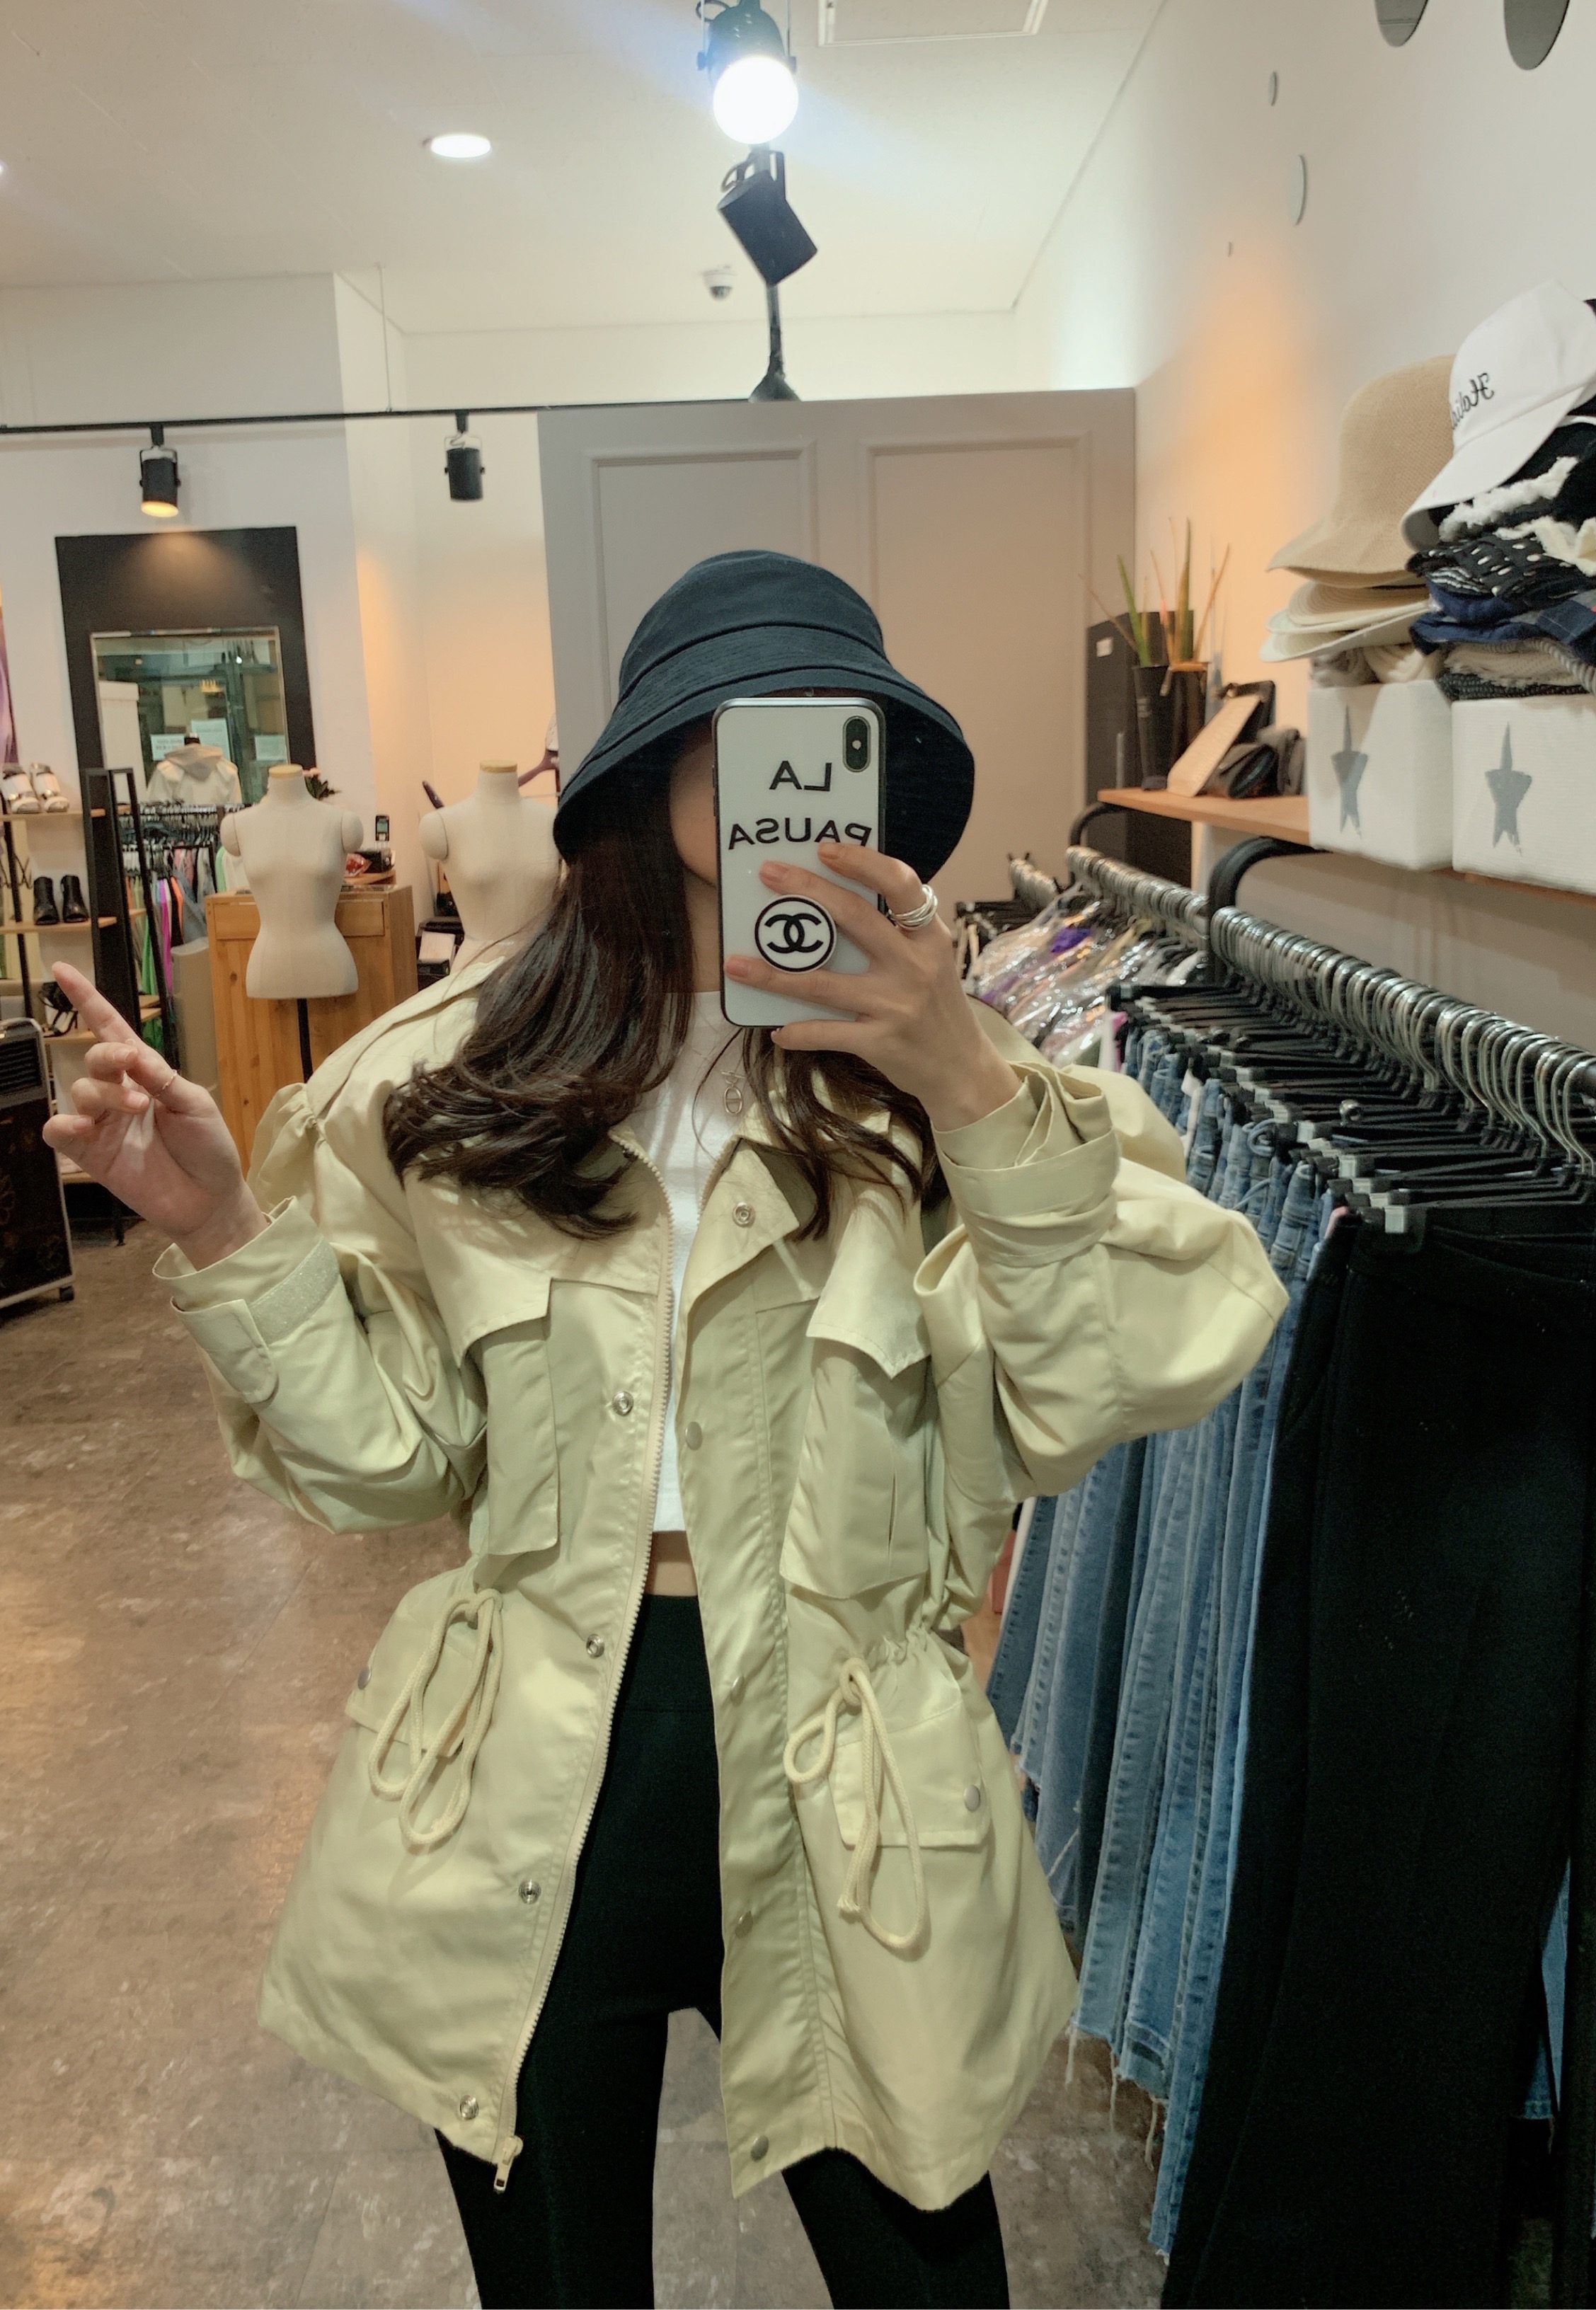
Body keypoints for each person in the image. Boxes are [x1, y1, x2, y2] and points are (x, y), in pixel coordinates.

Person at [45, 551, 1286, 2310]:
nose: (791, 752)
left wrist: (967, 1079)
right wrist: (224, 1229)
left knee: (930, 2274)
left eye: (834, 727)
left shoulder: (962, 1084)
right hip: (532, 1768)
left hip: (850, 1768)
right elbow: (391, 1463)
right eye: (745, 716)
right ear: (646, 762)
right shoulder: (453, 1077)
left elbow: (1089, 1391)